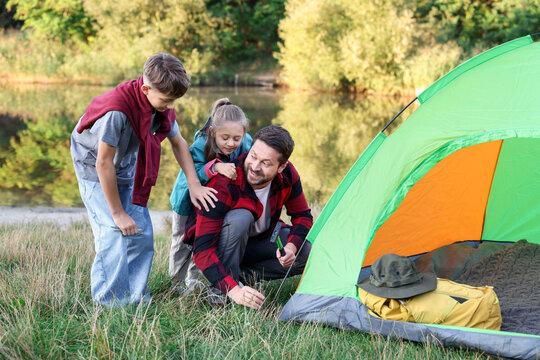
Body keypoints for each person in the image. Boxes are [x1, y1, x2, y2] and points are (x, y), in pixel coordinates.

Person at [70, 53, 217, 306]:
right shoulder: (117, 112)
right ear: (146, 88)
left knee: (141, 233)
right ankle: (110, 303)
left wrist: (194, 184)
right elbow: (103, 163)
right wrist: (117, 214)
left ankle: (136, 298)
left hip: (125, 163)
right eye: (167, 100)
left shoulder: (159, 103)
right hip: (93, 166)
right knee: (114, 232)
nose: (171, 107)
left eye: (174, 101)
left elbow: (179, 143)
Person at [184, 125, 313, 309]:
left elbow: (303, 216)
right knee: (241, 218)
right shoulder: (224, 182)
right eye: (253, 156)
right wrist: (234, 290)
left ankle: (240, 277)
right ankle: (221, 295)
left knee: (306, 253)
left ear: (281, 167)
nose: (255, 167)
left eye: (266, 163)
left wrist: (291, 247)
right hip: (221, 246)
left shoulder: (288, 174)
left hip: (258, 242)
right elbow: (202, 250)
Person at [169, 98, 252, 292]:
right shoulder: (200, 144)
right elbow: (190, 171)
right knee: (182, 241)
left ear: (243, 134)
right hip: (187, 202)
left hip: (212, 203)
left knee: (203, 239)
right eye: (225, 138)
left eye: (236, 138)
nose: (231, 143)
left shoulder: (246, 143)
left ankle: (193, 279)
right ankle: (176, 283)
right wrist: (214, 167)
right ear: (213, 132)